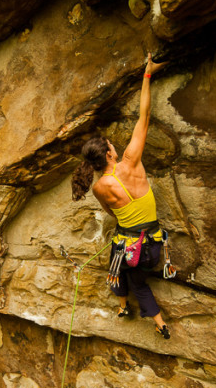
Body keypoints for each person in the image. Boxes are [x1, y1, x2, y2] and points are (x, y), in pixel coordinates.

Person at [71, 52, 171, 339]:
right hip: (151, 248)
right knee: (137, 276)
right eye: (111, 145)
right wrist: (147, 75)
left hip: (129, 247)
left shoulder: (99, 187)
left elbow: (111, 213)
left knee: (117, 263)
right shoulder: (130, 162)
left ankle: (123, 307)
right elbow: (145, 116)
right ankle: (159, 323)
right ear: (110, 153)